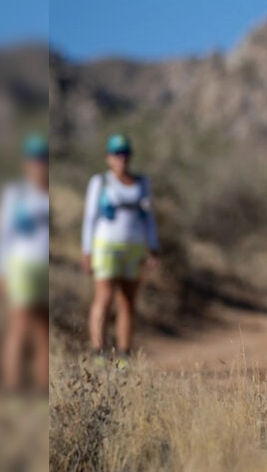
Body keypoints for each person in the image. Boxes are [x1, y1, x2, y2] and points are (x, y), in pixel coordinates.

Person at [80, 133, 159, 368]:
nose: (121, 158)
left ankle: (124, 355)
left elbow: (149, 218)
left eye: (124, 153)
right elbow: (90, 218)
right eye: (116, 153)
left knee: (128, 302)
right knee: (104, 297)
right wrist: (87, 250)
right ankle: (99, 351)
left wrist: (153, 247)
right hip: (106, 248)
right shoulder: (100, 183)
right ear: (108, 158)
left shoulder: (142, 183)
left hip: (134, 248)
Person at [0, 133, 51, 394]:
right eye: (35, 159)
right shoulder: (15, 193)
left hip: (44, 267)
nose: (40, 164)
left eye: (44, 159)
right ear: (27, 163)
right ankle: (12, 389)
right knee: (20, 326)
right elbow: (3, 234)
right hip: (22, 266)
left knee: (43, 329)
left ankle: (41, 389)